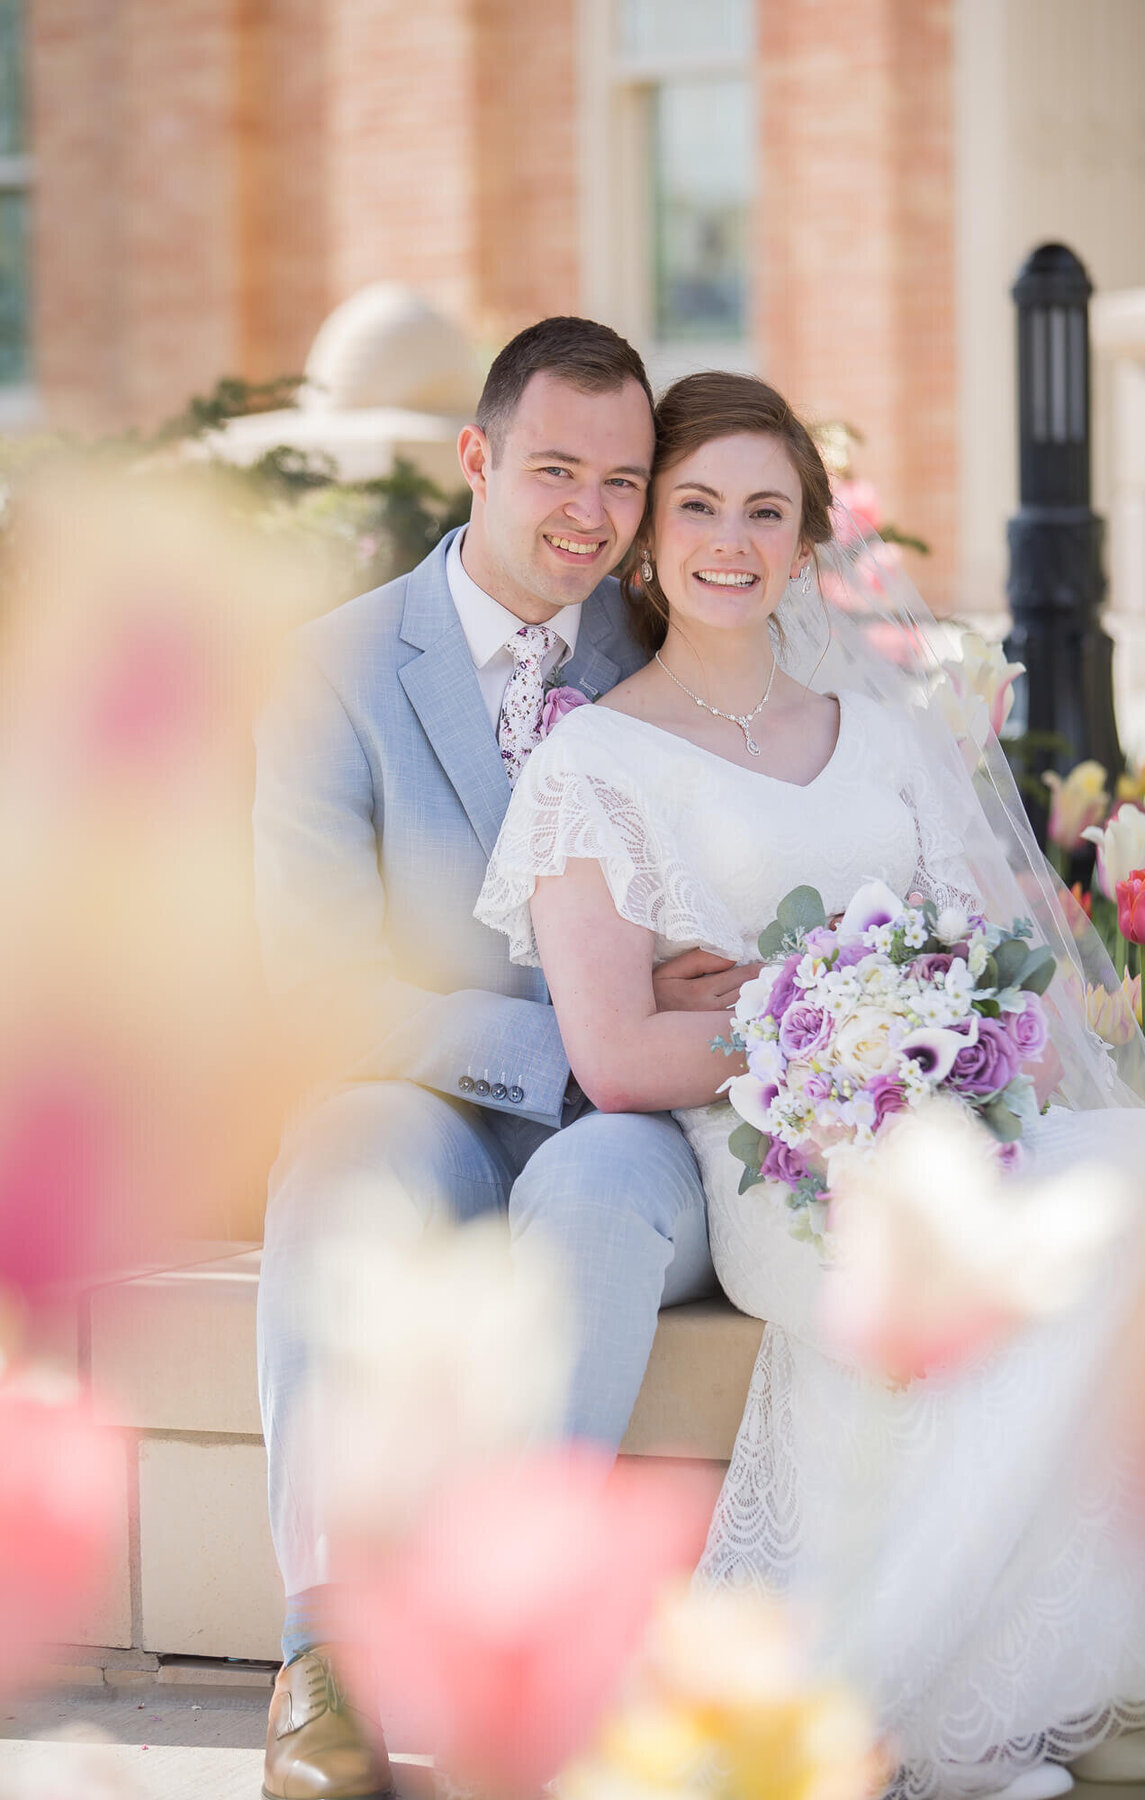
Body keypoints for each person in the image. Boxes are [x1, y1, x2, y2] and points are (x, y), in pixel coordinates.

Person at [475, 370, 1145, 1800]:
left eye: (766, 509)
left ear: (811, 540)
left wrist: (922, 1037)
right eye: (695, 506)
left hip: (956, 1122)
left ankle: (1085, 1673)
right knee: (945, 1259)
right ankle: (888, 1714)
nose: (730, 540)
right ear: (646, 538)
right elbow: (618, 1053)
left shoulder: (881, 738)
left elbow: (990, 967)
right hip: (774, 1169)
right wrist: (808, 1031)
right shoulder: (591, 761)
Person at [252, 320, 746, 1800]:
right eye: (552, 471)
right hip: (429, 1103)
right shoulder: (331, 672)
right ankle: (321, 1656)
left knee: (594, 1198)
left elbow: (716, 932)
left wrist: (652, 1039)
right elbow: (324, 987)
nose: (590, 516)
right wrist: (585, 1034)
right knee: (341, 1160)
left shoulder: (672, 656)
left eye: (620, 479)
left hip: (632, 1127)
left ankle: (518, 1657)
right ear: (475, 458)